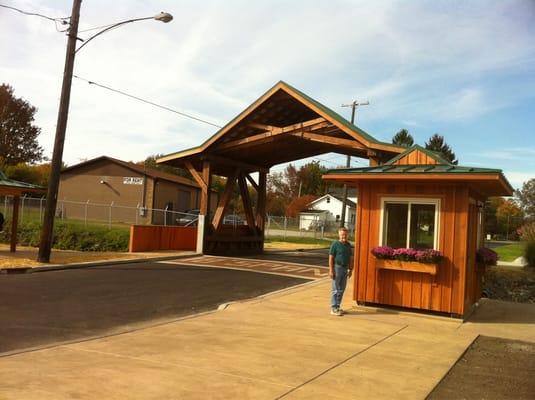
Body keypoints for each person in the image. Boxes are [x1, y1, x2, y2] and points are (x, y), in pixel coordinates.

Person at [329, 227, 353, 316]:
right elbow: (331, 258)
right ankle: (333, 308)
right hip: (337, 268)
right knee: (335, 289)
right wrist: (331, 270)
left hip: (345, 269)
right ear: (339, 235)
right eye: (342, 235)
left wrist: (351, 269)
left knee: (342, 289)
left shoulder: (348, 245)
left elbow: (351, 258)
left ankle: (338, 306)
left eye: (346, 235)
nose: (344, 236)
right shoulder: (335, 244)